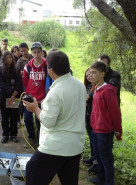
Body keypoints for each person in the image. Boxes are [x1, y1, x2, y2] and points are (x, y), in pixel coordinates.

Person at [23, 50, 86, 185]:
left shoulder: (56, 92)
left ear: (50, 70)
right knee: (69, 179)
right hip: (75, 145)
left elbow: (48, 121)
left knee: (32, 168)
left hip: (56, 146)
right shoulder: (80, 85)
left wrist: (35, 109)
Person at [88, 61, 122, 185]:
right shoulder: (96, 88)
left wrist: (118, 131)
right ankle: (101, 178)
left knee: (107, 159)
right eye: (90, 72)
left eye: (94, 73)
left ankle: (109, 182)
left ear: (102, 74)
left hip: (105, 131)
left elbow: (115, 113)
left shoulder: (108, 91)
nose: (90, 75)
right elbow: (96, 111)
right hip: (95, 129)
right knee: (99, 157)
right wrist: (92, 124)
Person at [22, 42, 47, 147]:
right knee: (27, 118)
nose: (36, 54)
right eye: (34, 52)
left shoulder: (47, 66)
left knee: (40, 120)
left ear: (42, 52)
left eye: (38, 52)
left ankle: (40, 139)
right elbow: (24, 81)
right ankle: (31, 137)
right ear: (31, 53)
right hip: (30, 97)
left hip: (42, 98)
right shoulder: (27, 67)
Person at [0, 51, 22, 143]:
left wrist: (15, 93)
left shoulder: (17, 69)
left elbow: (19, 81)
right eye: (7, 58)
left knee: (14, 116)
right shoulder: (0, 69)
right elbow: (0, 83)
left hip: (14, 97)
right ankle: (5, 134)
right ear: (3, 59)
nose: (9, 60)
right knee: (5, 116)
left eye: (10, 58)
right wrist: (11, 92)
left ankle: (14, 134)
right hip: (4, 96)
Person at [82, 68, 98, 174]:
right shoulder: (87, 86)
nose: (89, 77)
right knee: (91, 137)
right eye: (87, 75)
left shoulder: (97, 87)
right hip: (87, 113)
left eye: (91, 74)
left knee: (95, 138)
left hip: (94, 115)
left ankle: (96, 163)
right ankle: (92, 158)